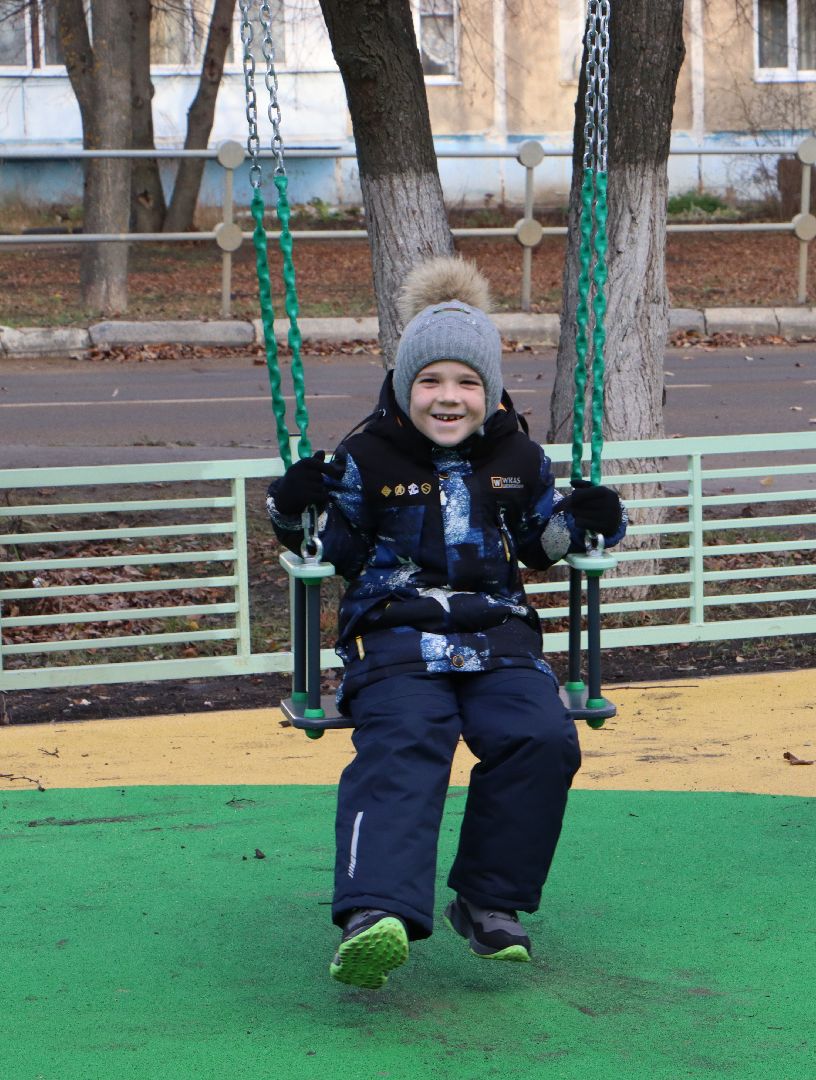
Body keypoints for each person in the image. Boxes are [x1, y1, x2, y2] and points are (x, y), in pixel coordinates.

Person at [266, 257, 627, 987]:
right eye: (430, 381)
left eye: (466, 382)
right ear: (405, 388)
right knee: (406, 740)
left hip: (498, 640)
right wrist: (293, 507)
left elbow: (537, 542)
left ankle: (488, 903)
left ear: (489, 391)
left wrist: (593, 523)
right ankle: (376, 913)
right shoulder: (367, 457)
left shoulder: (519, 456)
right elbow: (335, 547)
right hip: (394, 637)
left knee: (541, 737)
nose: (448, 397)